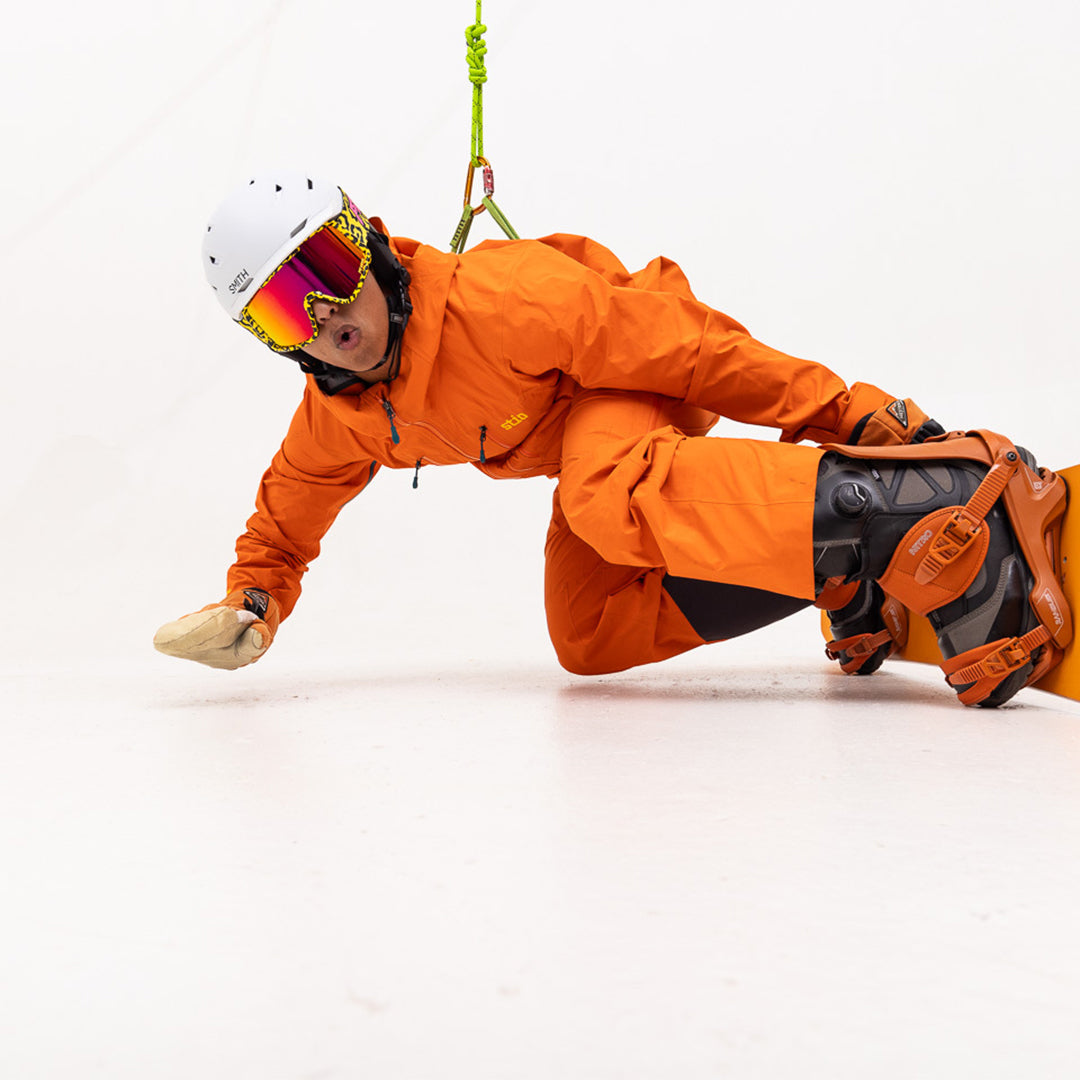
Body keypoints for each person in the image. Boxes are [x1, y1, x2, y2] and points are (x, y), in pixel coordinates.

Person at [153, 171, 1071, 707]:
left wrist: (854, 414)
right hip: (591, 434)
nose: (325, 314)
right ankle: (842, 569)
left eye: (326, 268)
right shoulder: (342, 413)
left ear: (369, 242)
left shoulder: (501, 304)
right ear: (271, 340)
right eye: (285, 310)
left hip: (636, 369)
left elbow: (695, 352)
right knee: (587, 632)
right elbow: (287, 515)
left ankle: (932, 508)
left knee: (603, 492)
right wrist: (254, 605)